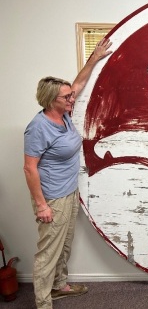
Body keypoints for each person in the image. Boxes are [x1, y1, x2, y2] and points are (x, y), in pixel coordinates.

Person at [23, 38, 112, 309]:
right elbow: (29, 167)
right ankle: (43, 302)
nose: (72, 97)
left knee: (64, 245)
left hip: (69, 191)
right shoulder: (38, 127)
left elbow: (78, 83)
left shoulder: (64, 115)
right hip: (51, 198)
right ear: (51, 101)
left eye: (70, 95)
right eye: (66, 97)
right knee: (48, 252)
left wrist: (94, 58)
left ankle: (59, 286)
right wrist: (41, 205)